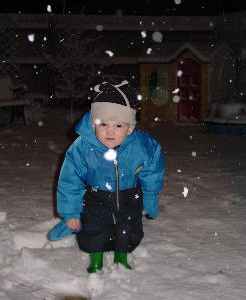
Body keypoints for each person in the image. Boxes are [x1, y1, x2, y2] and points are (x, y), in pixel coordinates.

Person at [49, 80, 165, 273]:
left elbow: (152, 170)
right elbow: (70, 181)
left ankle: (122, 257)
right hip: (95, 196)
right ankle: (96, 260)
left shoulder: (143, 146)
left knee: (128, 228)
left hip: (129, 194)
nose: (110, 131)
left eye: (118, 125)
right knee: (94, 229)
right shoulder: (82, 148)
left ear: (129, 128)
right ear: (93, 125)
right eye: (103, 124)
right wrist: (71, 212)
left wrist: (150, 196)